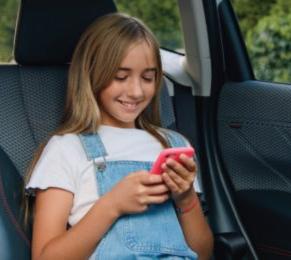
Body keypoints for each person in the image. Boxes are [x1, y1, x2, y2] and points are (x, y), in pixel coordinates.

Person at [24, 12, 213, 260]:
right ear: (92, 74)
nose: (135, 91)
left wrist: (186, 197)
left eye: (148, 77)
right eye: (120, 77)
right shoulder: (67, 149)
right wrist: (112, 205)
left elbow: (203, 252)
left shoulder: (174, 146)